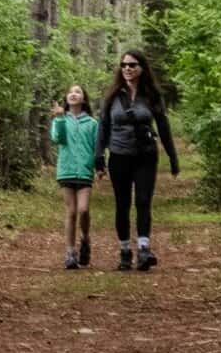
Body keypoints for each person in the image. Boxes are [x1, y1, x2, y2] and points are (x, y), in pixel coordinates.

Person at [94, 48, 179, 271]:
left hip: (145, 155)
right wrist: (99, 156)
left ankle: (143, 248)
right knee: (122, 204)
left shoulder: (151, 95)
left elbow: (163, 126)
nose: (128, 69)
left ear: (142, 68)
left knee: (143, 201)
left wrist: (172, 157)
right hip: (119, 155)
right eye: (124, 65)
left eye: (132, 65)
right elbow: (103, 127)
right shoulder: (112, 96)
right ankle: (124, 250)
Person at [50, 83, 97, 270]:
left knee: (83, 210)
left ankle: (85, 239)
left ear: (84, 99)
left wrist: (101, 166)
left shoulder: (93, 123)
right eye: (70, 92)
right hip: (66, 170)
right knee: (70, 212)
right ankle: (70, 252)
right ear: (66, 98)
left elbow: (97, 147)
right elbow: (57, 139)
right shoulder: (60, 120)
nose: (73, 94)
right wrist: (60, 118)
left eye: (78, 92)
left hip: (85, 171)